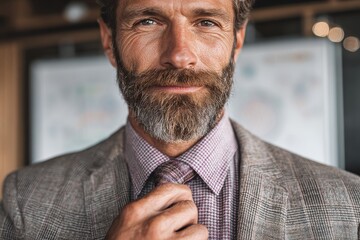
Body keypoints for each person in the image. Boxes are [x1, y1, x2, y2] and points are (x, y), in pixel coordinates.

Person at [1, 0, 360, 239]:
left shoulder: (349, 205)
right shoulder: (26, 201)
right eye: (148, 21)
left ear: (236, 41)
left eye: (206, 22)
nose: (179, 55)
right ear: (109, 41)